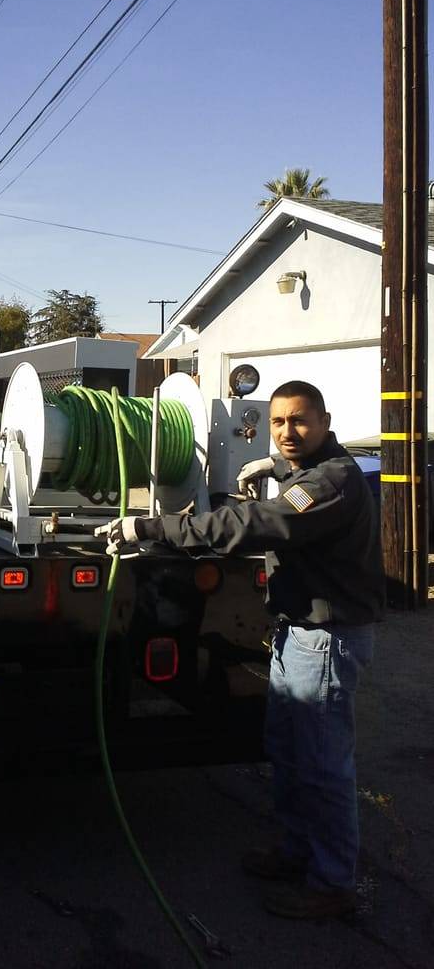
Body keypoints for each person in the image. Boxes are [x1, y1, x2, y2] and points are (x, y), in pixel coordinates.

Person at [97, 380, 384, 919]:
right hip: (297, 634)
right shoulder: (309, 473)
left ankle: (331, 883)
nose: (286, 432)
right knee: (289, 750)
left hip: (325, 640)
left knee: (322, 765)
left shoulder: (335, 481)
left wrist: (150, 527)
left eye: (299, 421)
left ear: (325, 420)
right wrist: (273, 468)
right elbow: (294, 483)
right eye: (277, 423)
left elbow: (260, 522)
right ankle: (298, 850)